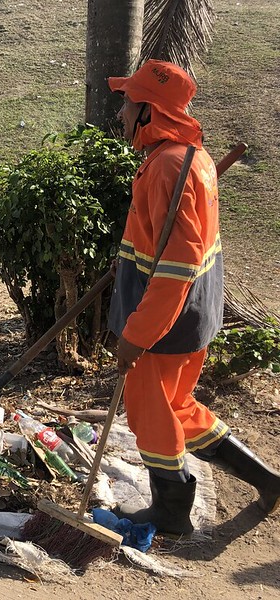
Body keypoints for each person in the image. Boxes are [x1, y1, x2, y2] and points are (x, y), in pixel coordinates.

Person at [106, 59, 279, 535]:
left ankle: (172, 508)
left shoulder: (167, 167)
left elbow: (177, 267)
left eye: (127, 103)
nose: (120, 112)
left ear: (148, 111)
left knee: (150, 413)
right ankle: (266, 480)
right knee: (178, 405)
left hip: (164, 320)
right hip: (193, 313)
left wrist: (136, 334)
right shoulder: (190, 158)